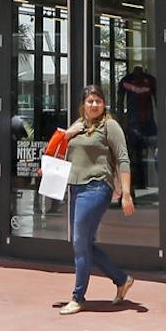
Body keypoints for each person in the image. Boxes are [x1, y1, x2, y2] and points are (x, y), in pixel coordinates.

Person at [58, 86, 136, 315]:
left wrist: (127, 194)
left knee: (80, 243)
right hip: (76, 188)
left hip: (97, 187)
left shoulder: (109, 126)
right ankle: (122, 279)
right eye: (90, 101)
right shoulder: (77, 126)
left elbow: (123, 159)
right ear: (83, 104)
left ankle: (78, 297)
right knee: (83, 243)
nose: (94, 105)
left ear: (104, 104)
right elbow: (66, 153)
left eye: (98, 101)